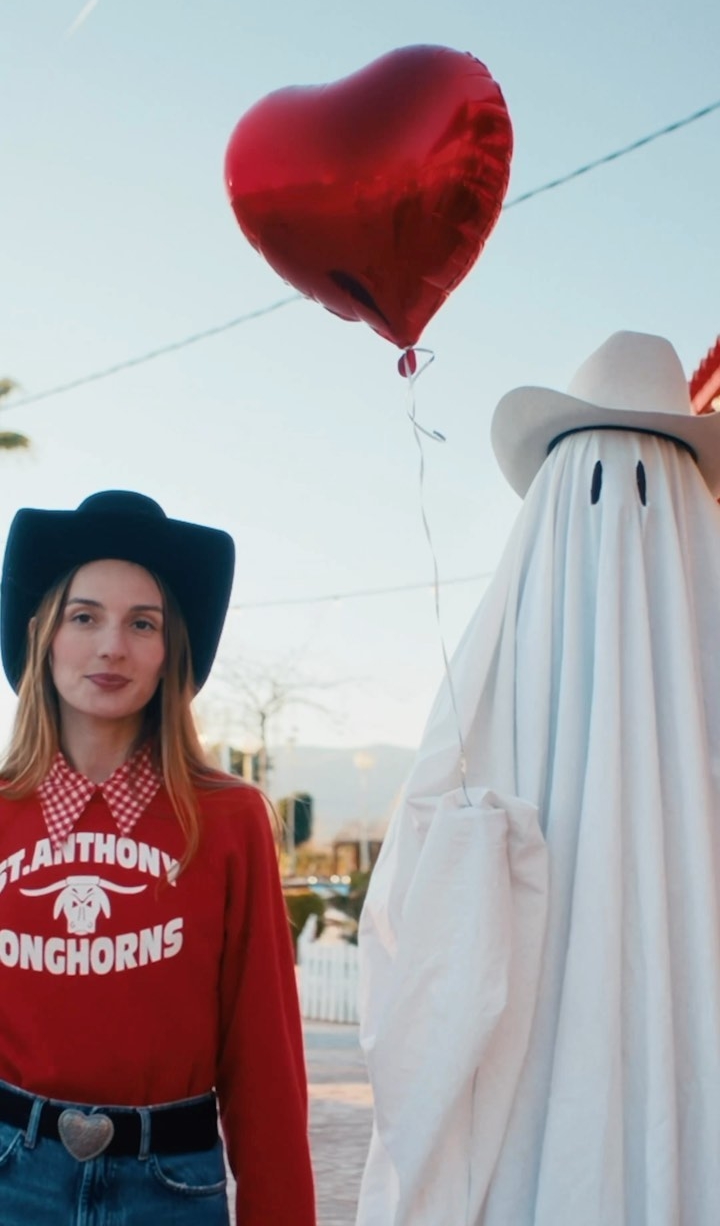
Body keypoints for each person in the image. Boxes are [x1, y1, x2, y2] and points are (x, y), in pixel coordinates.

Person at [356, 332, 720, 1226]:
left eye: (643, 481)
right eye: (600, 481)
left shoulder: (499, 660)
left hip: (517, 1105)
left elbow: (417, 914)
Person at [0, 490, 316, 1225]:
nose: (112, 645)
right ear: (43, 635)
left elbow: (264, 1059)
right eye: (85, 616)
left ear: (173, 650)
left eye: (143, 623)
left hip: (170, 1191)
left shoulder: (228, 818)